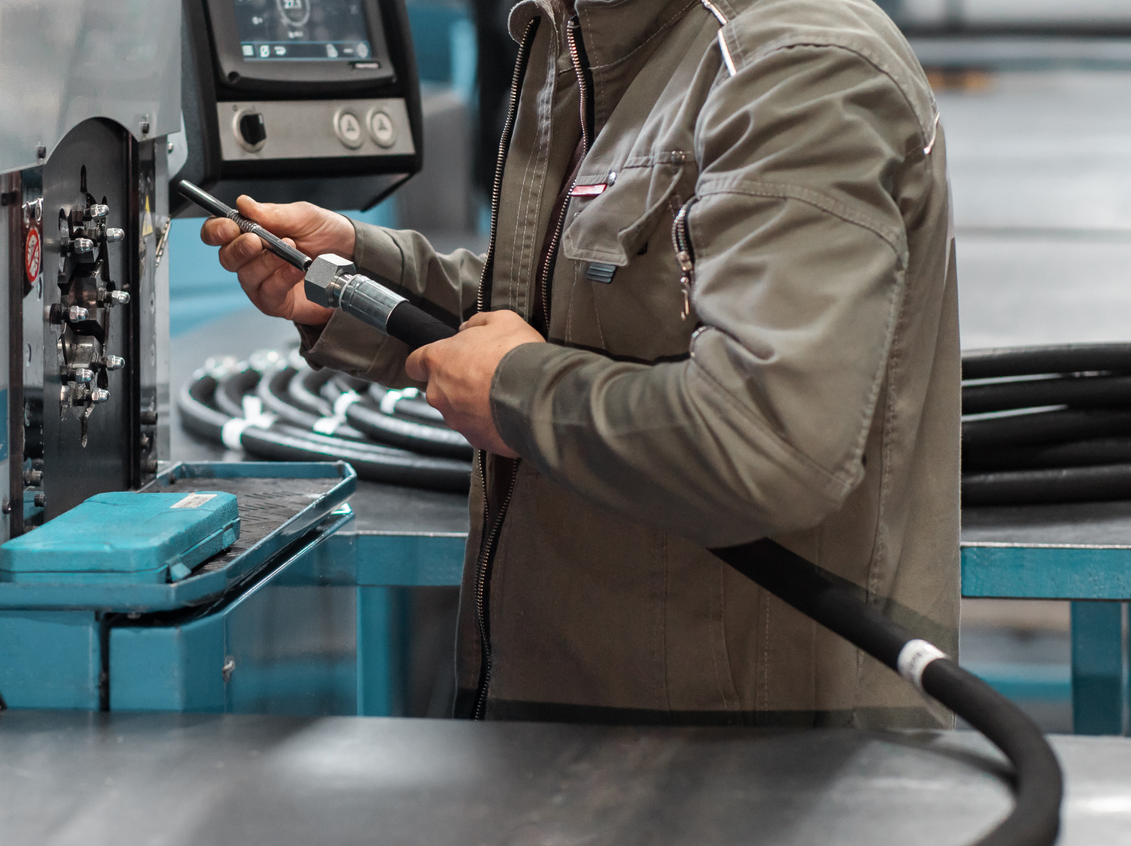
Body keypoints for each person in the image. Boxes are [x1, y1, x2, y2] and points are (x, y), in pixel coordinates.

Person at [202, 0, 958, 727]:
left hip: (752, 765)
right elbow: (562, 309)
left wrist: (518, 392)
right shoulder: (592, 40)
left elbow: (768, 442)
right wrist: (358, 276)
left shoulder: (797, 67)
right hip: (592, 719)